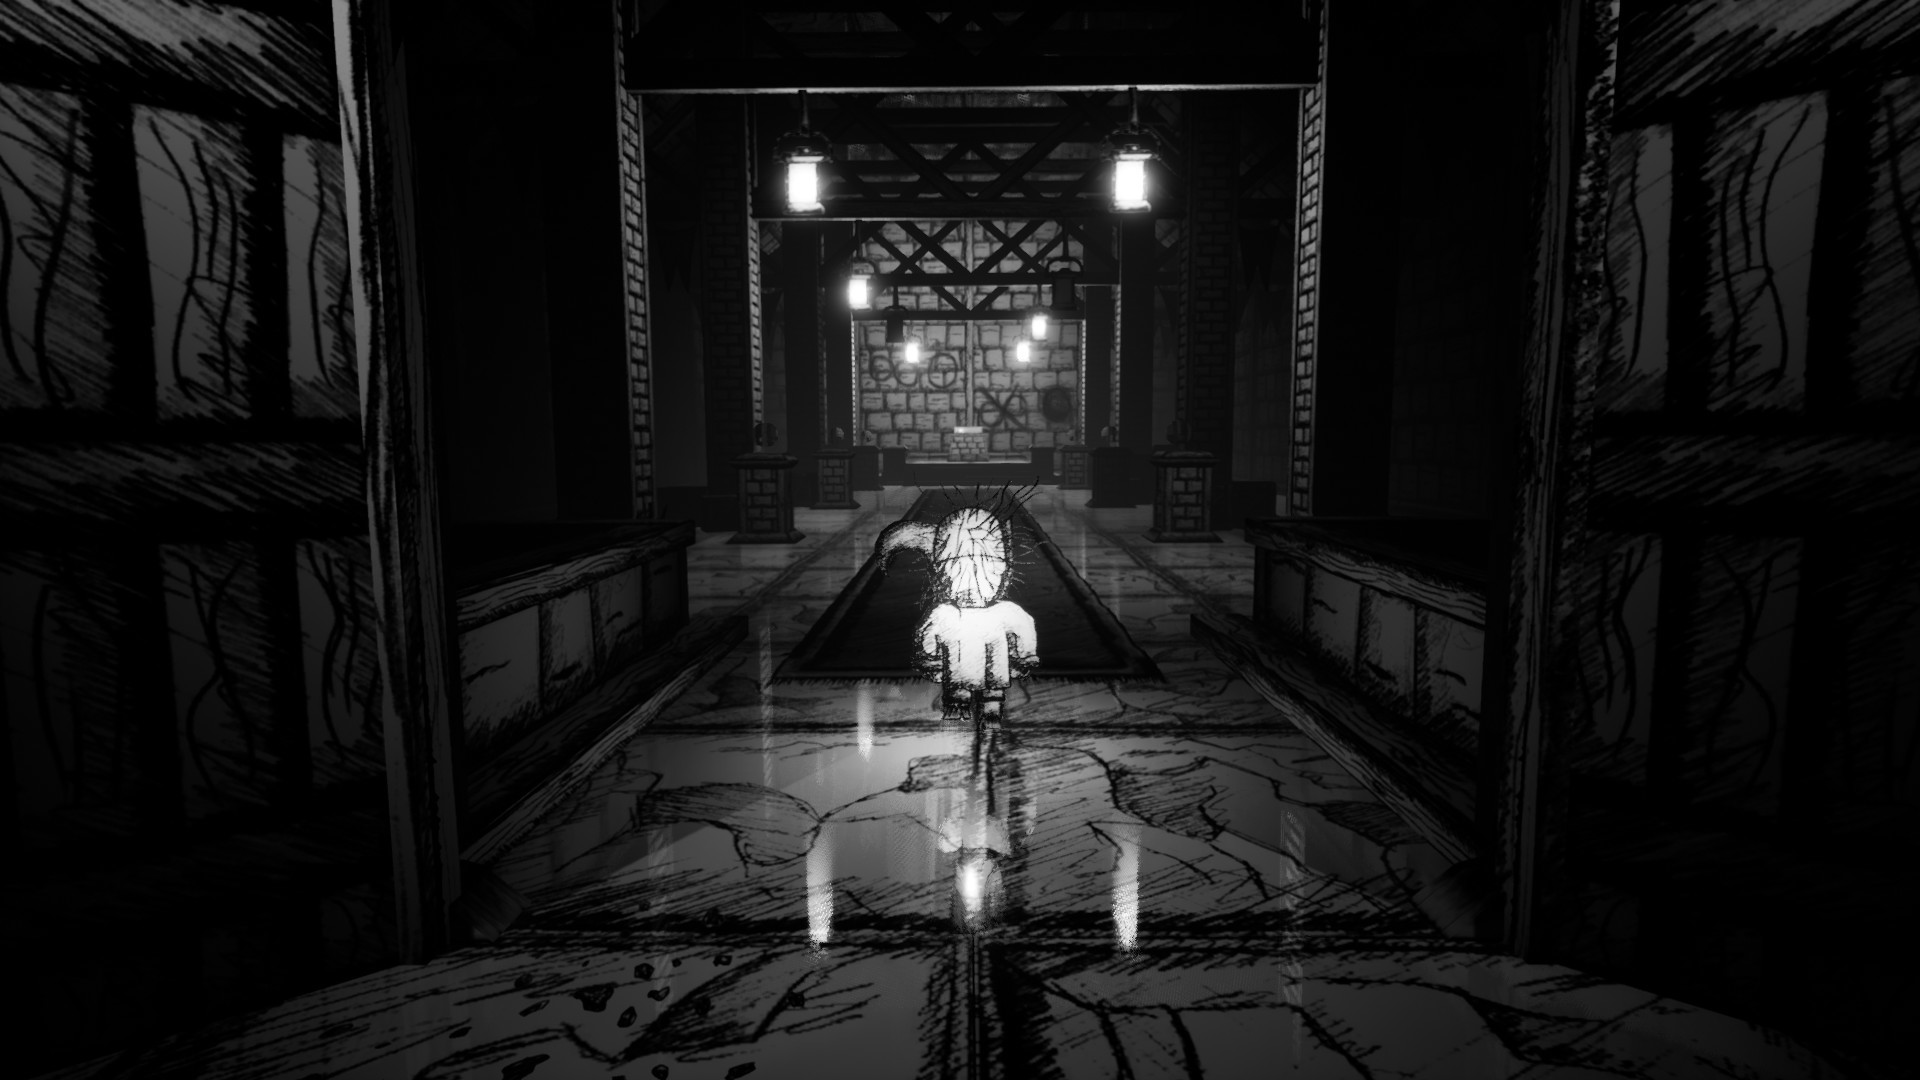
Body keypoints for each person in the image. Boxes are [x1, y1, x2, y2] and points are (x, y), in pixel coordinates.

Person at [877, 504, 1039, 721]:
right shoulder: (953, 614)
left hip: (977, 676)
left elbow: (929, 639)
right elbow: (1024, 632)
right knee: (972, 694)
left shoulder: (956, 614)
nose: (971, 585)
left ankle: (977, 711)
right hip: (968, 677)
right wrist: (1024, 657)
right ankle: (972, 711)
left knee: (985, 693)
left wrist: (931, 659)